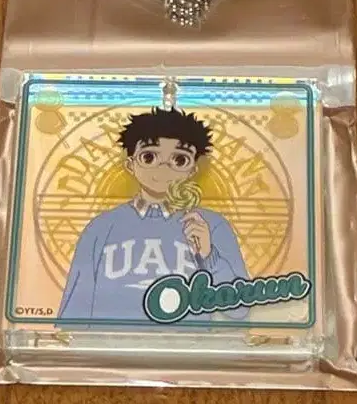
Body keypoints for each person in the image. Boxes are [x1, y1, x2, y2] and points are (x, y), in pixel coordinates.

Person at [57, 107, 249, 322]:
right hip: (112, 342)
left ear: (193, 169)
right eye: (149, 157)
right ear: (130, 164)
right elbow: (73, 314)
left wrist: (209, 255)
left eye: (179, 160)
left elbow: (239, 309)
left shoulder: (211, 226)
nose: (164, 168)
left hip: (188, 342)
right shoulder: (100, 228)